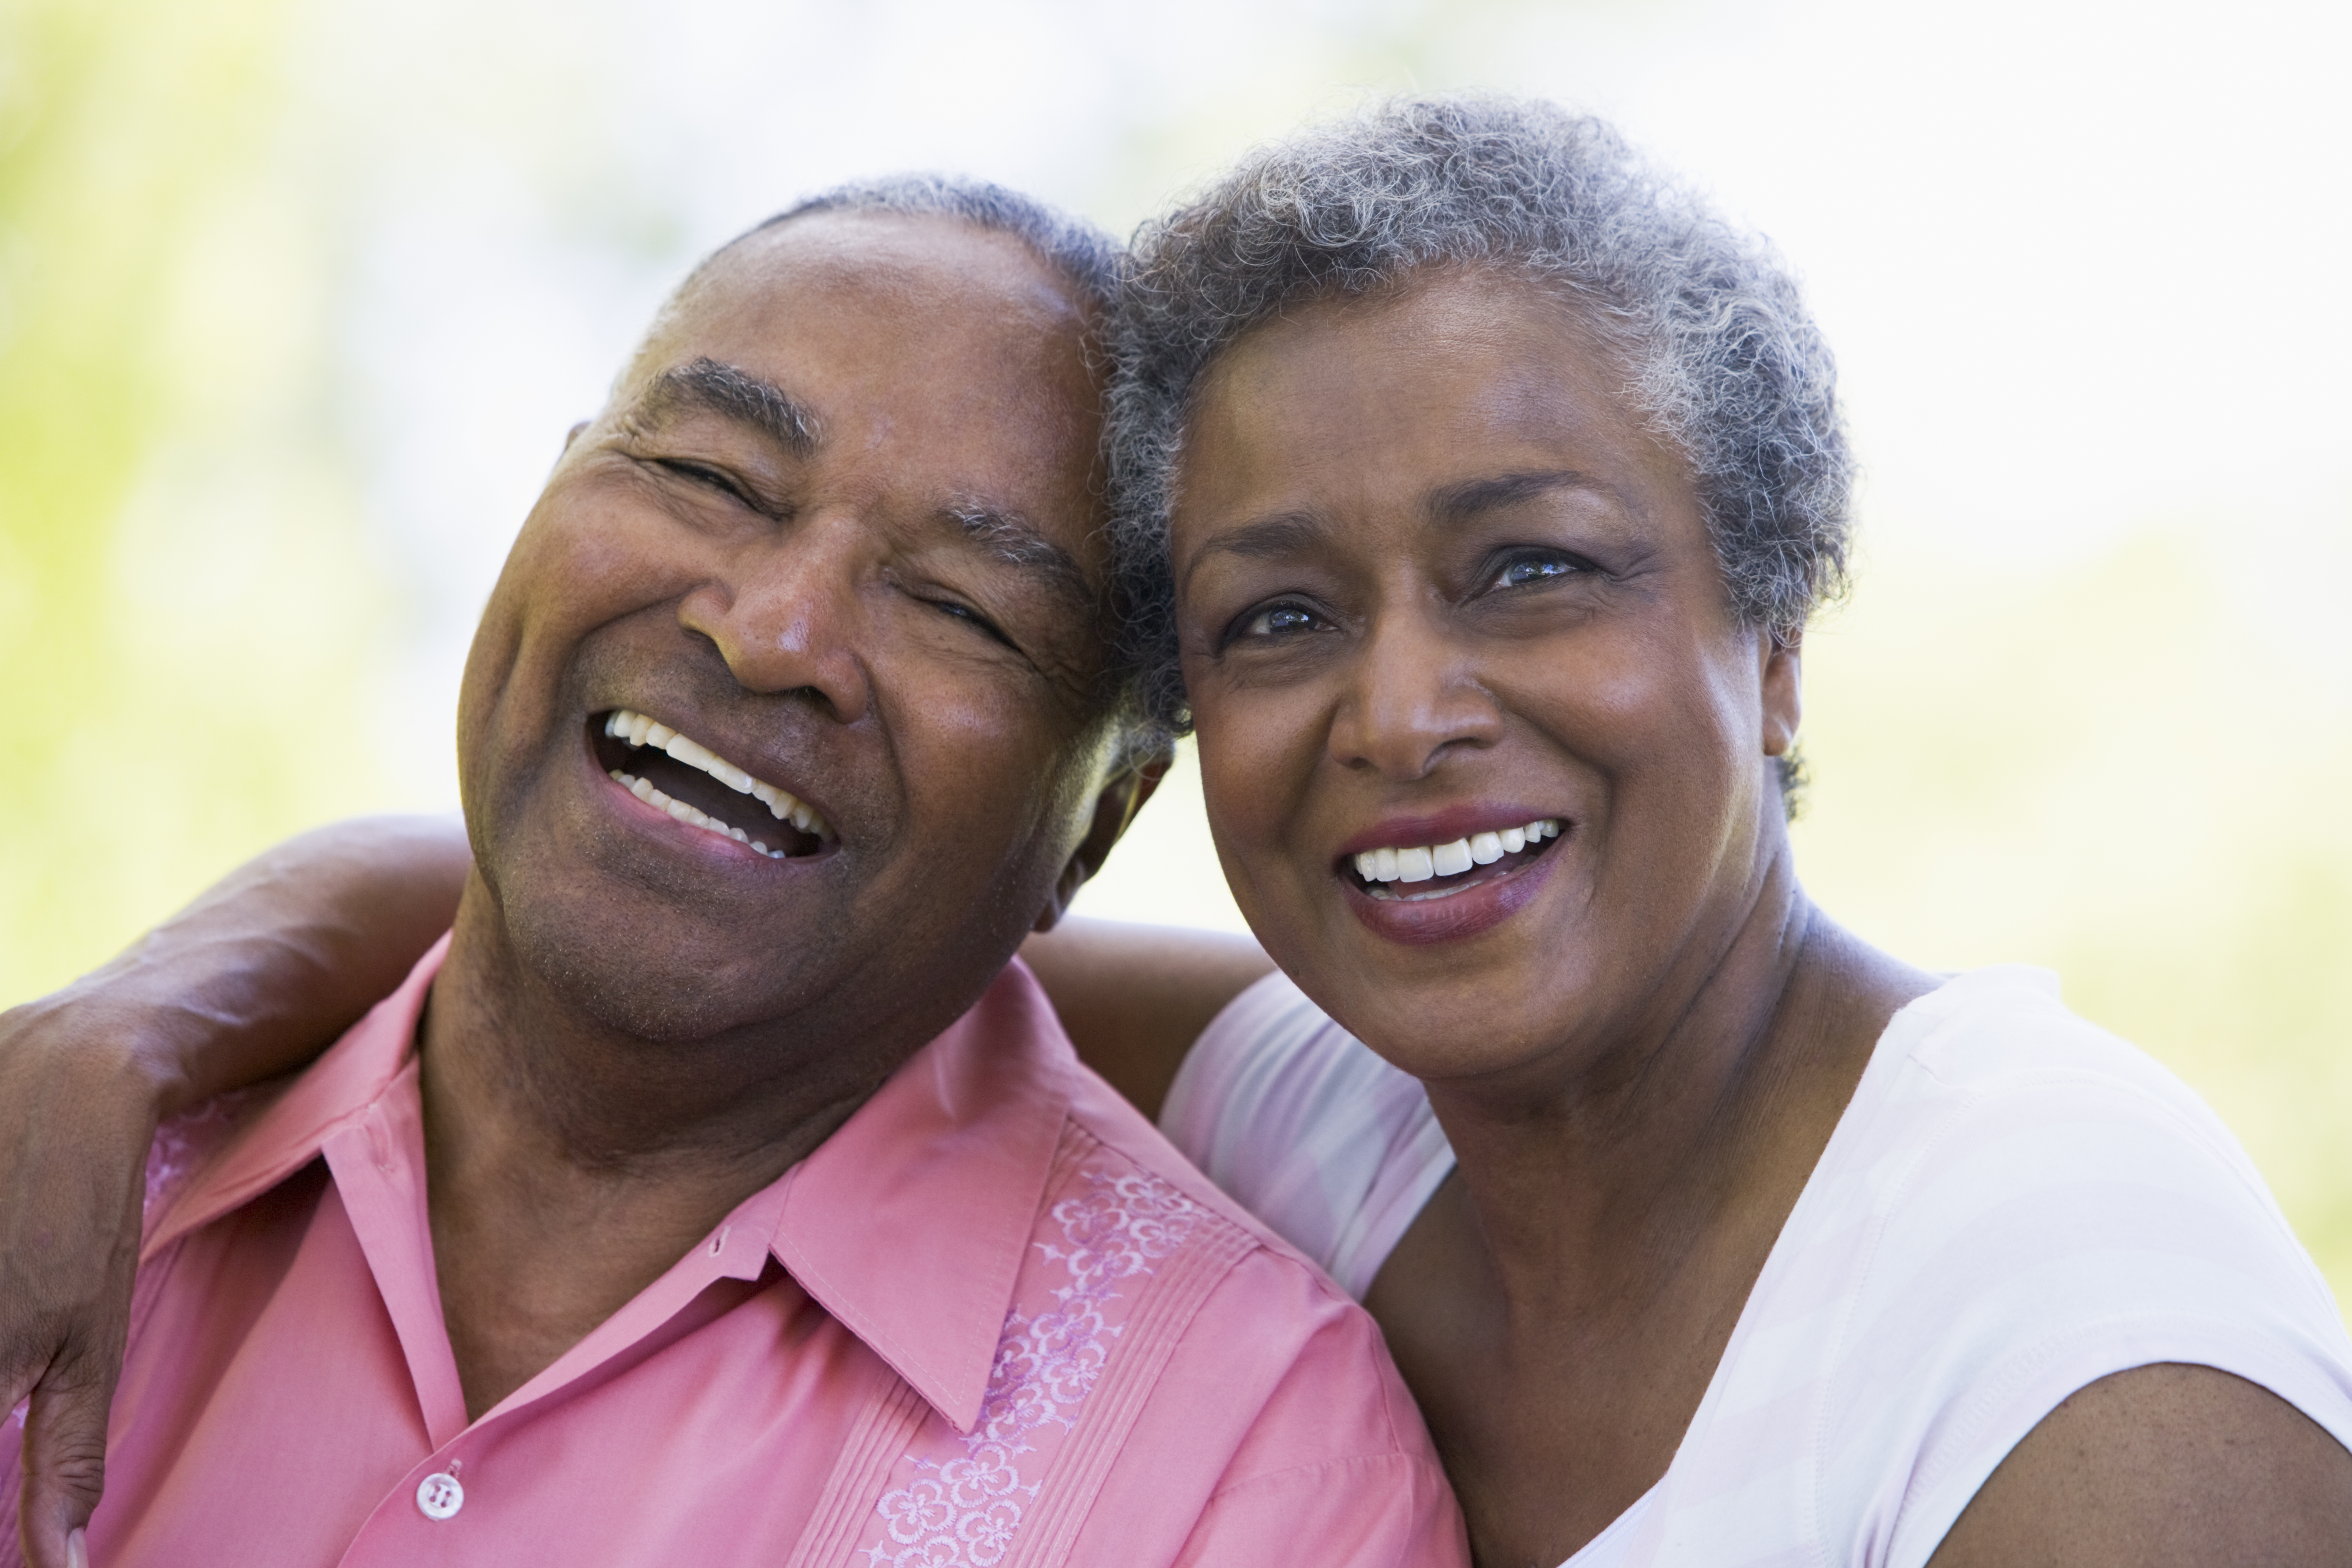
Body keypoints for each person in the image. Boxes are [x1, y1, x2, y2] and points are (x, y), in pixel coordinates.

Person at [10, 95, 2352, 1568]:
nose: (1404, 707)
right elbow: (701, 899)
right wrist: (126, 1024)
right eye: (1278, 614)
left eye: (1533, 565)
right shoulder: (1328, 1099)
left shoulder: (2072, 1309)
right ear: (1163, 779)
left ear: (1776, 636)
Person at [0, 175, 1463, 1568]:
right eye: (709, 473)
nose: (773, 633)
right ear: (550, 489)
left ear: (1095, 827)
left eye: (960, 603)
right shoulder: (70, 1168)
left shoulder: (1246, 1470)